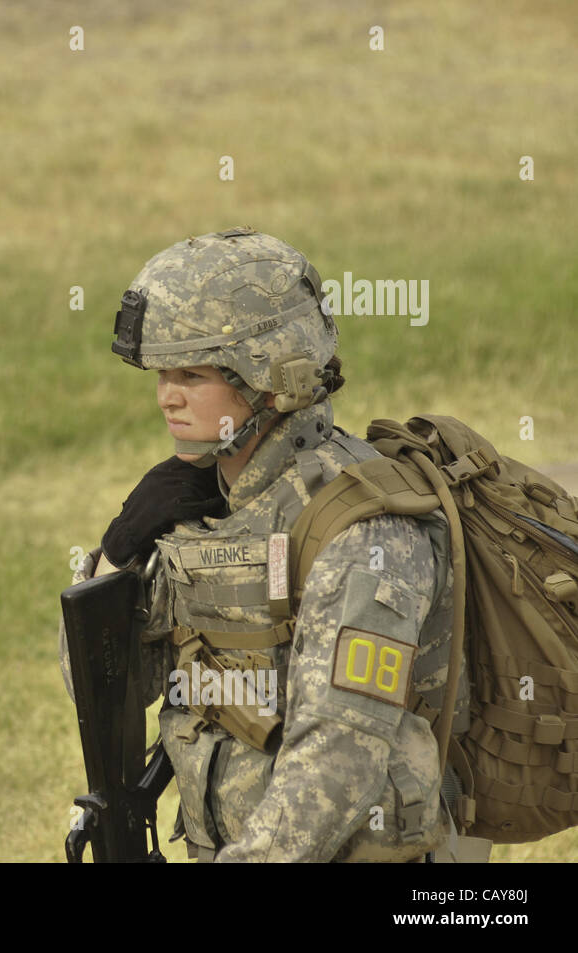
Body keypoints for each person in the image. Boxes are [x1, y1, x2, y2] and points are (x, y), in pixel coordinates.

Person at [62, 227, 470, 862]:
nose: (167, 396)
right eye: (163, 373)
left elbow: (337, 760)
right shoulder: (195, 505)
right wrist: (117, 552)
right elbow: (100, 690)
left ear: (270, 378)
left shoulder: (361, 528)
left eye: (192, 373)